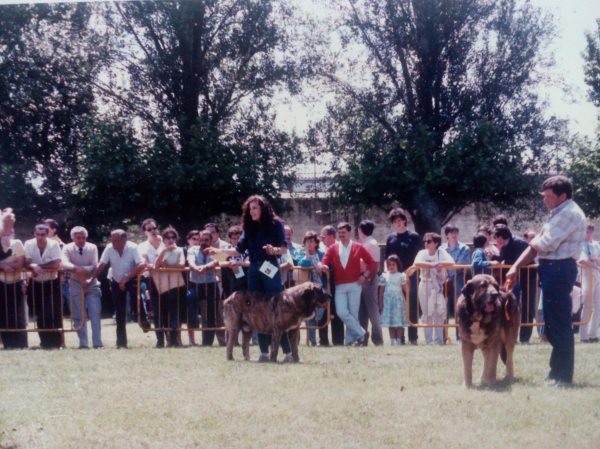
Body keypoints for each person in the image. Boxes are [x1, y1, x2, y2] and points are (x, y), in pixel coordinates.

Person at [506, 175, 586, 386]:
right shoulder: (557, 213)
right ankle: (555, 372)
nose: (544, 200)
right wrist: (515, 267)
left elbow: (544, 245)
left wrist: (535, 241)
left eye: (548, 196)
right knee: (551, 324)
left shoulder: (569, 213)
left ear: (562, 196)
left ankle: (563, 376)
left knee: (559, 323)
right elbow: (535, 247)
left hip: (560, 269)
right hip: (551, 269)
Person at [209, 195, 293, 362]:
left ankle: (288, 353)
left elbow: (283, 249)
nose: (252, 211)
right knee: (257, 310)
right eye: (250, 208)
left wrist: (273, 249)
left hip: (270, 266)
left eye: (255, 208)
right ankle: (264, 353)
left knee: (277, 309)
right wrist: (218, 252)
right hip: (254, 268)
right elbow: (238, 251)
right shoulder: (248, 227)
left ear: (263, 208)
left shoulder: (276, 224)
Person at [317, 222, 378, 346]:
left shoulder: (358, 247)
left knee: (353, 314)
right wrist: (320, 265)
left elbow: (371, 262)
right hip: (339, 285)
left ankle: (351, 341)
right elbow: (324, 261)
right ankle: (362, 333)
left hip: (355, 285)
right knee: (341, 312)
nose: (341, 235)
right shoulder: (333, 248)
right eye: (339, 233)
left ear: (349, 232)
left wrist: (364, 276)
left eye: (343, 232)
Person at [85, 230, 147, 349]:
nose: (113, 243)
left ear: (124, 240)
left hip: (132, 279)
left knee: (136, 300)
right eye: (112, 240)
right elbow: (101, 265)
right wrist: (91, 279)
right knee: (119, 312)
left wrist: (127, 276)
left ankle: (143, 319)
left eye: (116, 240)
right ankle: (121, 342)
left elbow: (141, 265)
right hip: (116, 281)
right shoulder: (109, 248)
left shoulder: (133, 247)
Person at [384, 208, 422, 344]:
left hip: (410, 276)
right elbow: (386, 258)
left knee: (411, 307)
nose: (397, 223)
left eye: (399, 220)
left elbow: (419, 257)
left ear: (405, 220)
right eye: (395, 221)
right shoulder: (391, 238)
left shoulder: (414, 237)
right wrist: (387, 274)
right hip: (394, 278)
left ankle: (413, 338)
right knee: (397, 307)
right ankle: (400, 338)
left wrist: (409, 272)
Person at [61, 226, 103, 349]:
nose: (81, 240)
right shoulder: (67, 248)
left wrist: (83, 270)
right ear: (73, 238)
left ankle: (97, 342)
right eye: (78, 237)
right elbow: (64, 262)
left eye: (83, 237)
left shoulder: (92, 247)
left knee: (95, 312)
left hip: (92, 282)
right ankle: (83, 343)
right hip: (74, 281)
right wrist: (75, 268)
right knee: (78, 313)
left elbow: (94, 265)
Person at [24, 224, 63, 349]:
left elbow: (56, 263)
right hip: (35, 284)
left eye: (43, 235)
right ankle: (45, 342)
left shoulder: (54, 245)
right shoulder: (29, 244)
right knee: (40, 314)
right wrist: (33, 266)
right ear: (34, 234)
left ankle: (57, 342)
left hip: (52, 283)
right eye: (37, 234)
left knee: (52, 313)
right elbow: (27, 262)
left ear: (47, 235)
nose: (40, 237)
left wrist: (38, 267)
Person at [492, 225, 532, 343]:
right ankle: (510, 337)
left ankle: (525, 338)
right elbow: (504, 260)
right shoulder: (504, 247)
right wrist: (493, 257)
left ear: (500, 236)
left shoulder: (519, 243)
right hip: (513, 280)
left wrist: (506, 262)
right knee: (509, 307)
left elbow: (522, 259)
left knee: (527, 308)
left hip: (527, 278)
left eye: (495, 236)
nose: (495, 239)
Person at [414, 232, 455, 344]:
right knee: (426, 312)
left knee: (439, 312)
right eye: (425, 241)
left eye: (429, 241)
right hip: (424, 283)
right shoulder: (422, 253)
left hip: (438, 285)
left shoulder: (441, 252)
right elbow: (417, 262)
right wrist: (431, 265)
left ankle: (438, 340)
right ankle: (428, 340)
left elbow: (451, 262)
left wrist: (439, 263)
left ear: (436, 243)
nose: (426, 243)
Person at [153, 227, 187, 347]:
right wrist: (164, 252)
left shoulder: (180, 250)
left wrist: (169, 266)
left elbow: (182, 264)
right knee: (164, 312)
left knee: (174, 312)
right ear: (164, 239)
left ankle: (173, 339)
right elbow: (156, 266)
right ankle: (166, 339)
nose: (171, 240)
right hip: (163, 285)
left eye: (173, 237)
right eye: (168, 237)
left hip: (176, 284)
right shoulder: (160, 250)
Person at [187, 230, 220, 347]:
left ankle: (207, 342)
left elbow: (217, 261)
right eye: (201, 239)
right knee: (189, 298)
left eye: (206, 240)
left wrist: (204, 268)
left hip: (211, 284)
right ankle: (193, 322)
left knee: (212, 312)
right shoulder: (192, 250)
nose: (203, 242)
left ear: (211, 240)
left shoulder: (216, 250)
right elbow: (190, 261)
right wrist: (195, 267)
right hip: (196, 284)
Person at [296, 231, 327, 346]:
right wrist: (307, 255)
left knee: (319, 311)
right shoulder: (301, 254)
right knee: (310, 315)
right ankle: (312, 340)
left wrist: (322, 266)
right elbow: (302, 264)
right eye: (307, 241)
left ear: (316, 243)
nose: (309, 244)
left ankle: (319, 324)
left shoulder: (322, 254)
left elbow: (328, 267)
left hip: (321, 287)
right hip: (308, 289)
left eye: (311, 241)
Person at [138, 219, 166, 347]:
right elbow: (143, 261)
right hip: (152, 281)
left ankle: (172, 339)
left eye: (154, 228)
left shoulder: (166, 241)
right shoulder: (143, 246)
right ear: (145, 232)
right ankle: (160, 340)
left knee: (170, 309)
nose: (153, 231)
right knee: (156, 310)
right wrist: (150, 264)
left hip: (168, 279)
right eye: (149, 229)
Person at [0, 230, 27, 349]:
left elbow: (20, 264)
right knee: (3, 314)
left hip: (16, 283)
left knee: (18, 314)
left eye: (8, 233)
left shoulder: (17, 243)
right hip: (1, 283)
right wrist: (3, 266)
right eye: (3, 234)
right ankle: (8, 344)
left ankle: (21, 344)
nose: (6, 236)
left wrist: (7, 266)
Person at [357, 220, 383, 346]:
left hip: (369, 280)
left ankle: (378, 339)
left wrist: (369, 279)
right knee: (362, 311)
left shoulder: (371, 244)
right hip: (363, 279)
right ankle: (363, 338)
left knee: (373, 311)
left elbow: (375, 264)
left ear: (361, 230)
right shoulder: (366, 243)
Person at [318, 225, 344, 346]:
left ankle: (338, 341)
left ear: (331, 236)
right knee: (323, 312)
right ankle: (323, 340)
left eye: (323, 236)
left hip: (337, 286)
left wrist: (328, 271)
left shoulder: (340, 249)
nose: (321, 239)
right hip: (324, 287)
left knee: (337, 313)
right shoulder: (322, 250)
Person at [440, 224, 470, 321]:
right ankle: (443, 334)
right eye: (451, 232)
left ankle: (459, 334)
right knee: (443, 305)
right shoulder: (441, 249)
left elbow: (461, 264)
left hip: (459, 277)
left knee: (459, 304)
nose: (454, 234)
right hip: (443, 277)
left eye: (456, 232)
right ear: (447, 235)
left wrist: (445, 265)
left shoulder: (464, 248)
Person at [577, 223, 600, 343]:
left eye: (590, 231)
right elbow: (583, 260)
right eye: (587, 232)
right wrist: (596, 266)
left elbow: (597, 259)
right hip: (587, 274)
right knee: (587, 305)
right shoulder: (581, 244)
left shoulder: (596, 244)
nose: (589, 234)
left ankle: (593, 334)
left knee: (598, 306)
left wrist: (595, 259)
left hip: (597, 275)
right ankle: (584, 336)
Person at [378, 255, 408, 346]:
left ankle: (399, 340)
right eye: (389, 264)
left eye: (393, 264)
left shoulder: (401, 275)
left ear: (397, 264)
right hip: (388, 301)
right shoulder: (384, 276)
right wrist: (380, 303)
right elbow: (381, 290)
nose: (391, 266)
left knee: (399, 321)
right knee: (390, 321)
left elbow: (405, 290)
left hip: (398, 301)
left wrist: (407, 283)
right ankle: (392, 340)